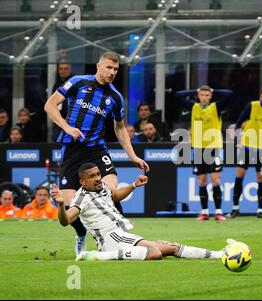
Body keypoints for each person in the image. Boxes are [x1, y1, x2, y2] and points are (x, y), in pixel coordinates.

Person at [44, 51, 149, 256]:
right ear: (98, 67)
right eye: (109, 67)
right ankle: (81, 234)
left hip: (96, 150)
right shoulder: (77, 82)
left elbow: (120, 129)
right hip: (72, 150)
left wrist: (133, 156)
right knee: (69, 205)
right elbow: (49, 105)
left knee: (110, 190)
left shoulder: (115, 97)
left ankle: (120, 236)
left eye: (116, 69)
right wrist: (67, 128)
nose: (112, 72)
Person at [51, 163, 226, 261]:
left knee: (172, 247)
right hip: (110, 239)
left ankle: (220, 255)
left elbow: (115, 195)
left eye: (98, 174)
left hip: (120, 235)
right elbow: (66, 220)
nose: (97, 178)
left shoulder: (101, 187)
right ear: (82, 182)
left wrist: (134, 185)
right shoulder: (81, 198)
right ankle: (99, 256)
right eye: (92, 176)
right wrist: (60, 205)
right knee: (154, 252)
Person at [175, 85, 233, 221]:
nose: (204, 98)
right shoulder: (193, 107)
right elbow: (178, 95)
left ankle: (219, 212)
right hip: (198, 148)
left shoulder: (216, 107)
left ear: (211, 96)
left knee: (215, 180)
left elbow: (229, 94)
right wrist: (195, 91)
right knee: (201, 181)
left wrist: (214, 90)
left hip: (213, 148)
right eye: (202, 95)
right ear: (198, 96)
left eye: (207, 95)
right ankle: (205, 212)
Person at [230, 85, 262, 219]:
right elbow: (239, 123)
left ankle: (260, 210)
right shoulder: (252, 106)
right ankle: (235, 208)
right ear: (261, 95)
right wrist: (236, 141)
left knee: (261, 177)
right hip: (247, 146)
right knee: (240, 174)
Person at [51, 62, 75, 141]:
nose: (63, 71)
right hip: (59, 121)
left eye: (66, 69)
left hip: (73, 121)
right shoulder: (56, 84)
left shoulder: (75, 83)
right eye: (61, 69)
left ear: (70, 70)